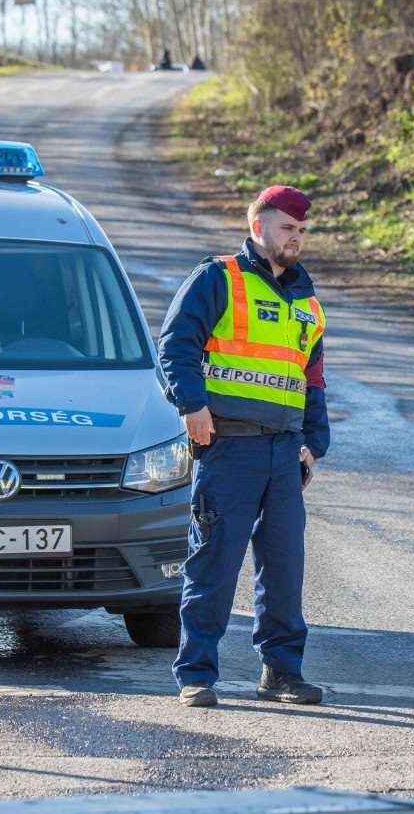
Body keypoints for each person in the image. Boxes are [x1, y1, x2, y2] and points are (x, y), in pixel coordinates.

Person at [158, 185, 328, 708]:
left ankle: (281, 671)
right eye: (286, 229)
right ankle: (196, 674)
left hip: (283, 453)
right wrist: (190, 405)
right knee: (214, 562)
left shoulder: (306, 301)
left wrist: (313, 444)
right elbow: (176, 343)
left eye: (301, 231)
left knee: (283, 568)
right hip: (228, 446)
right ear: (258, 228)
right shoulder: (218, 278)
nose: (295, 239)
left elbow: (312, 380)